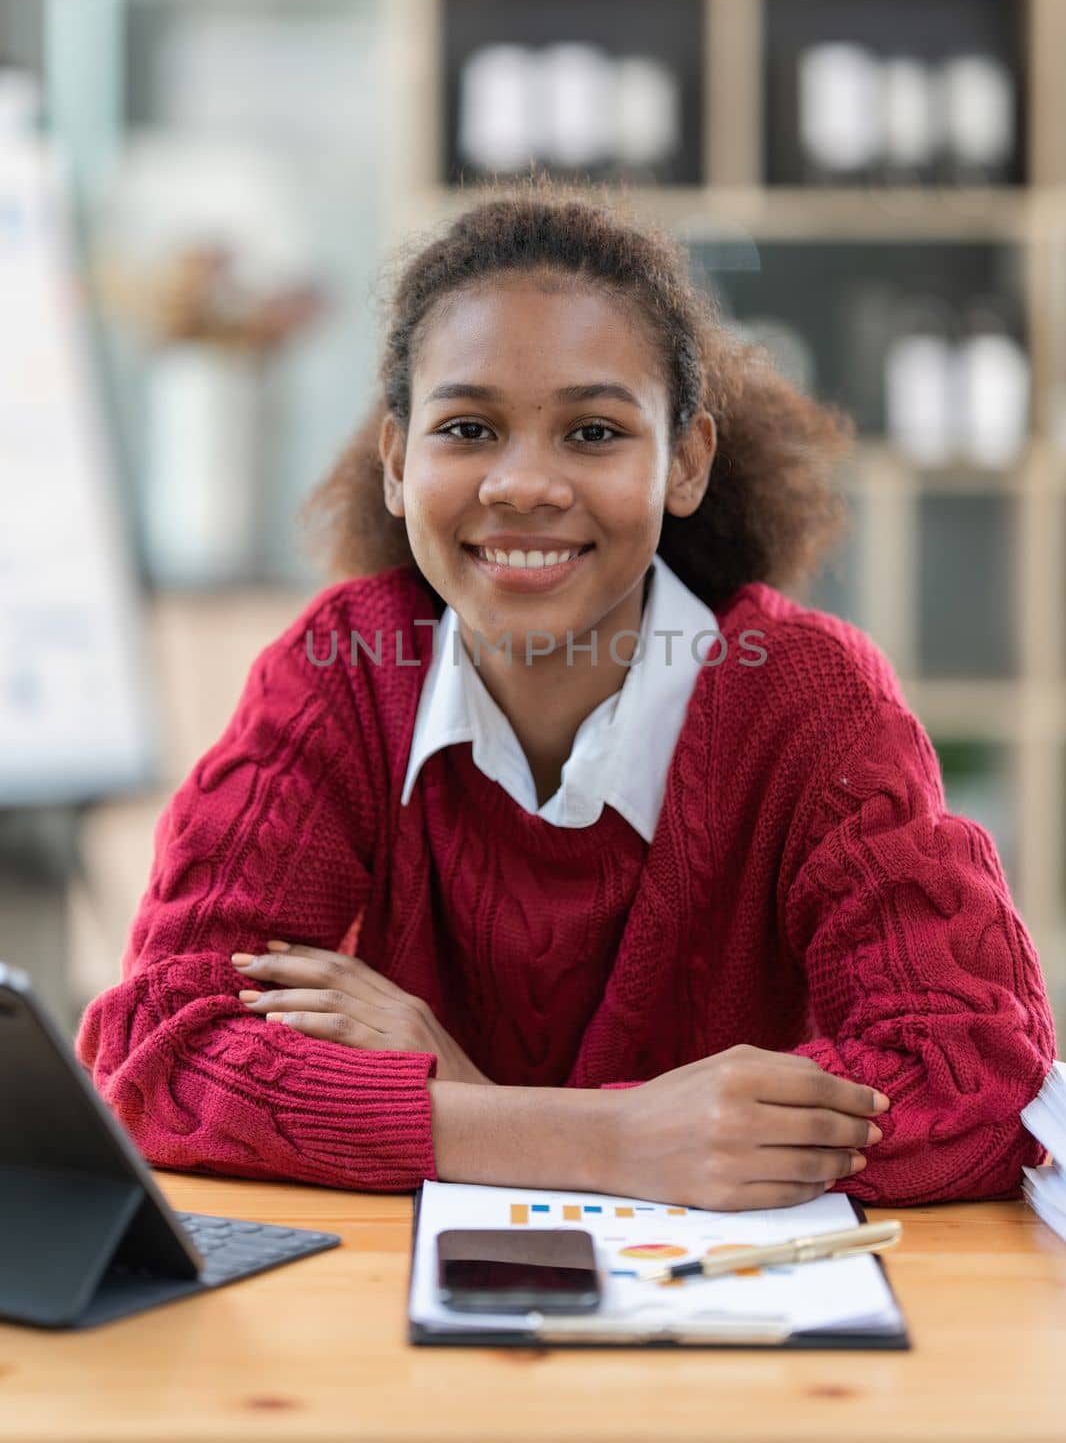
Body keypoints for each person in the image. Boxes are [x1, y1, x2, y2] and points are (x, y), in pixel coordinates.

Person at [76, 176, 1056, 1209]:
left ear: (684, 462)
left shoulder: (810, 702)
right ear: (396, 461)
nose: (523, 484)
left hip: (738, 1342)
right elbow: (157, 1054)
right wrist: (606, 1139)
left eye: (592, 433)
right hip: (396, 1339)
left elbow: (982, 1087)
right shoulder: (340, 670)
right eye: (467, 429)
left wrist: (467, 1102)